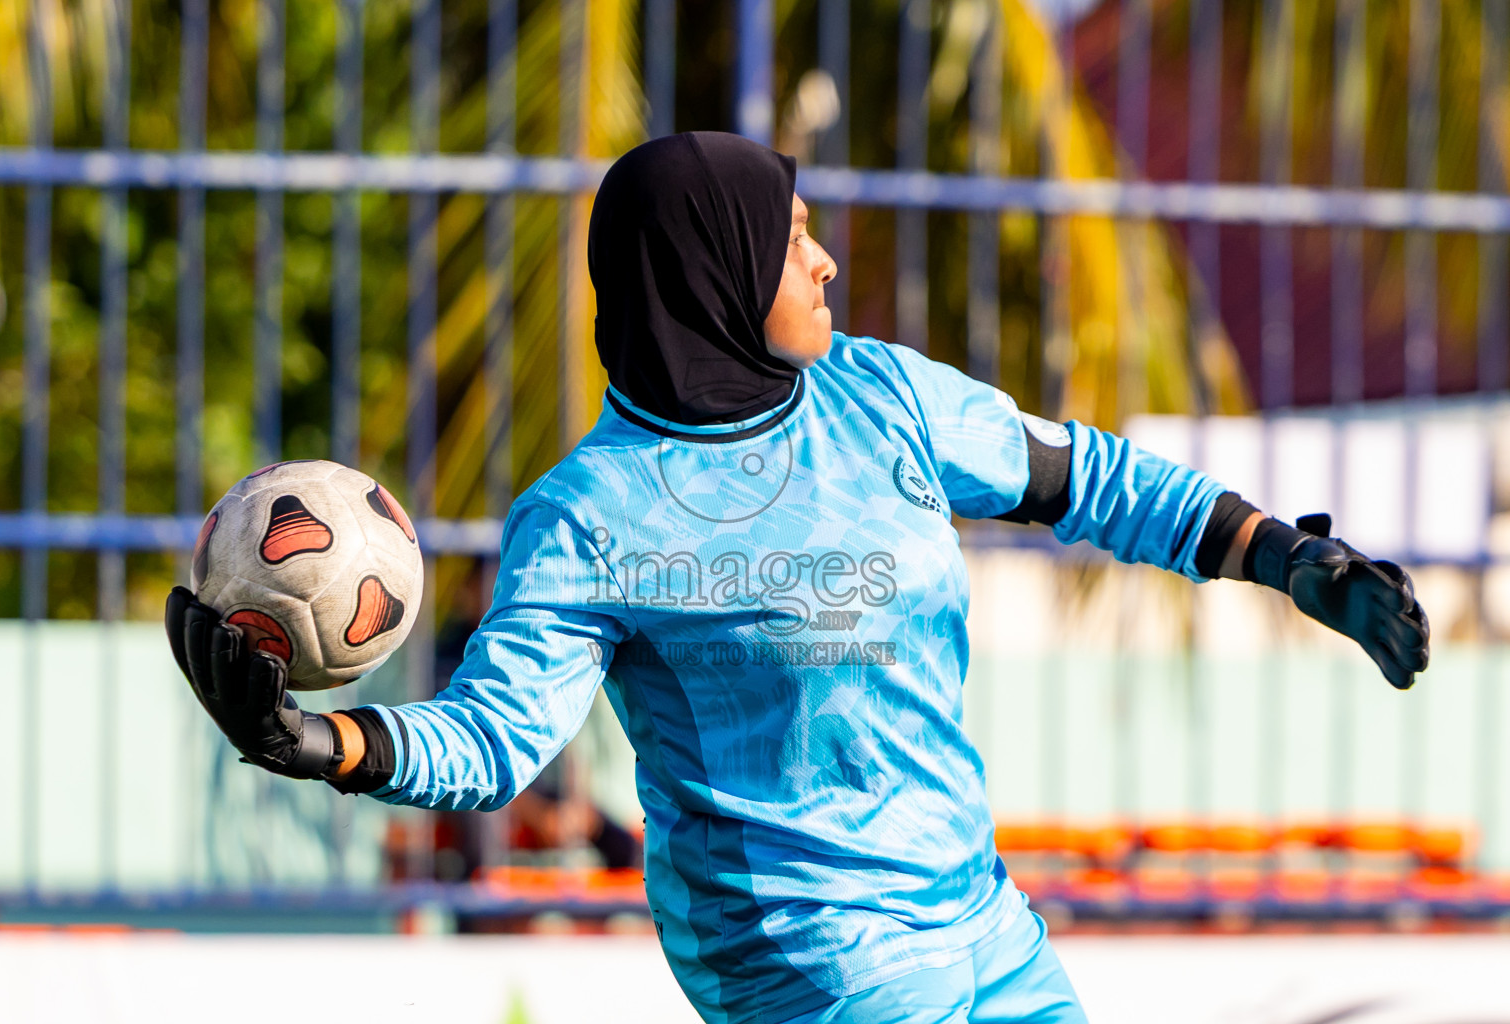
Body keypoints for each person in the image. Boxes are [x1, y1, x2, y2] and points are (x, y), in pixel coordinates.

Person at [165, 132, 1429, 1024]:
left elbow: (1095, 480)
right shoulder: (591, 513)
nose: (824, 265)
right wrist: (318, 739)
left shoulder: (881, 395)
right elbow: (495, 744)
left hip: (982, 924)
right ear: (706, 273)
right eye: (792, 240)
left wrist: (1293, 559)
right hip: (809, 963)